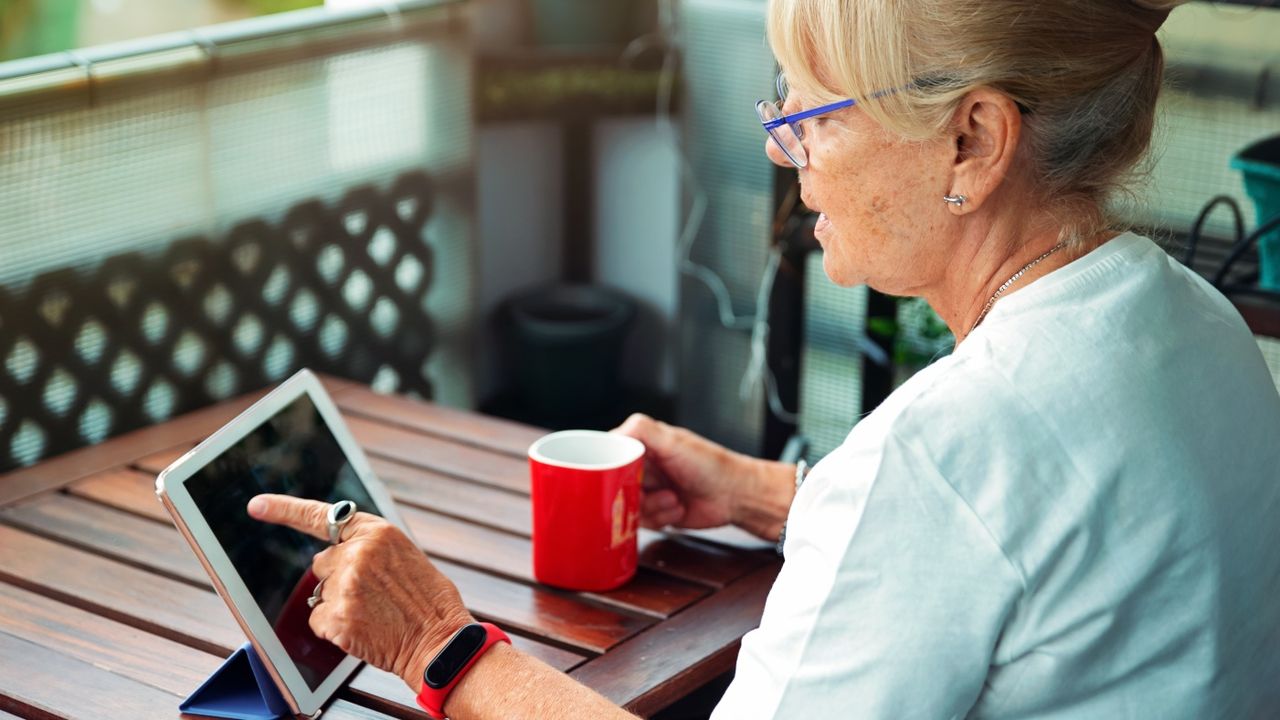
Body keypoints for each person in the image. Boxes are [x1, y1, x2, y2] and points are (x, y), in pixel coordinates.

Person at [248, 0, 1280, 716]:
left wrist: (440, 644)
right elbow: (1043, 552)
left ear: (971, 139)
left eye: (813, 111)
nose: (783, 148)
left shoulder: (946, 452)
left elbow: (970, 502)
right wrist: (776, 496)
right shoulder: (1198, 329)